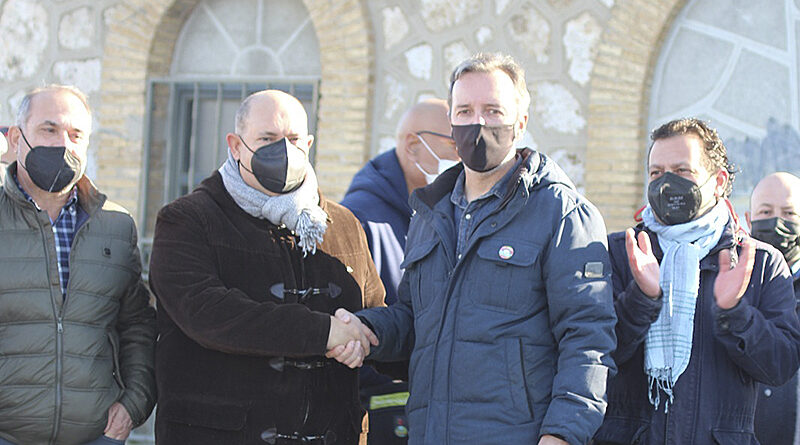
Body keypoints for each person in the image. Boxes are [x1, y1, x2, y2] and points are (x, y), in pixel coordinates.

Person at [330, 53, 618, 445]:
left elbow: (587, 340)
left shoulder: (563, 214)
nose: (477, 123)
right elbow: (417, 321)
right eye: (464, 111)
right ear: (451, 121)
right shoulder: (430, 212)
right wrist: (368, 329)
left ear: (521, 122)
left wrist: (563, 434)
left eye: (493, 110)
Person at [148, 89, 386, 445]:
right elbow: (208, 313)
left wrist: (362, 334)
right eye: (267, 139)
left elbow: (374, 309)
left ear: (308, 144)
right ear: (236, 146)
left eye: (293, 140)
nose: (284, 151)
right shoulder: (187, 220)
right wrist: (323, 333)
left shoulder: (344, 225)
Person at [593, 119, 800, 444]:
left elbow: (781, 366)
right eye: (656, 173)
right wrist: (641, 298)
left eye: (682, 171)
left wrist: (736, 313)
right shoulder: (622, 252)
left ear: (717, 182)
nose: (666, 184)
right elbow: (593, 352)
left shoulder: (759, 262)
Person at [0, 85, 157, 445]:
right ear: (15, 138)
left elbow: (136, 325)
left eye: (76, 135)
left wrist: (133, 404)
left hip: (95, 437)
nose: (63, 145)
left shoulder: (116, 226)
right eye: (49, 130)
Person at [341, 98, 457, 443]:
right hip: (381, 415)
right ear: (412, 144)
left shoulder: (437, 212)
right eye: (454, 144)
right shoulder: (362, 221)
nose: (464, 156)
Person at [748, 172, 800, 445]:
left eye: (790, 213)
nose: (778, 223)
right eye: (766, 211)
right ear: (749, 220)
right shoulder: (728, 286)